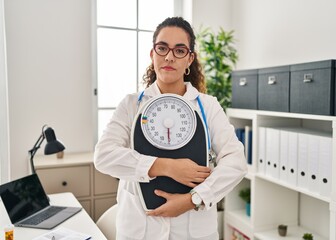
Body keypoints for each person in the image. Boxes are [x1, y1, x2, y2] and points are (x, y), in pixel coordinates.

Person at [94, 16, 247, 240]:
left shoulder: (208, 106)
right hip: (139, 231)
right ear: (152, 54)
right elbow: (103, 155)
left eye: (179, 50)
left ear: (189, 59)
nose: (169, 56)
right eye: (162, 48)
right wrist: (166, 166)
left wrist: (193, 199)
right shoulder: (131, 105)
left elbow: (236, 161)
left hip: (193, 232)